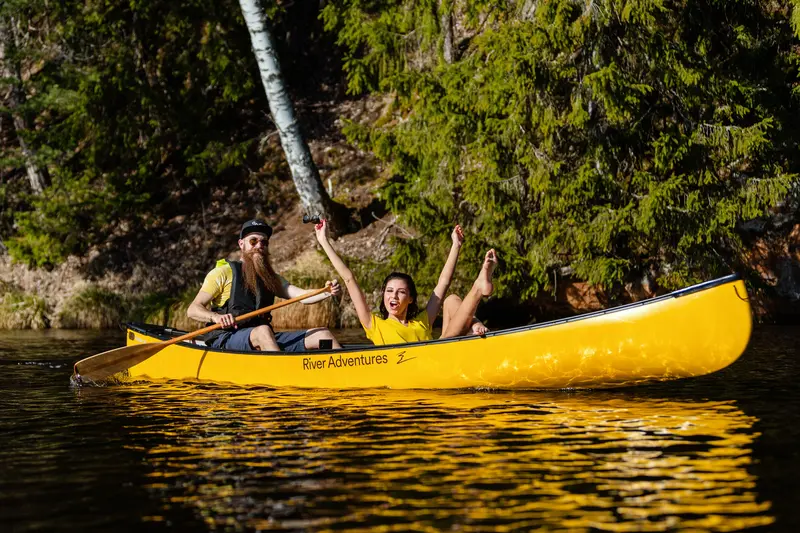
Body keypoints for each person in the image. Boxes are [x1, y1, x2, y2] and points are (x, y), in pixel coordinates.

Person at [314, 219, 497, 345]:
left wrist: (456, 245)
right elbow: (349, 278)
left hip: (437, 359)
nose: (393, 296)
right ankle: (478, 289)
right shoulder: (375, 324)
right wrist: (324, 241)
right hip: (424, 364)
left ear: (410, 299)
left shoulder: (422, 321)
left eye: (401, 292)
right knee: (447, 337)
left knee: (451, 299)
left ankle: (475, 315)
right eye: (389, 291)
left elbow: (444, 282)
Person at [188, 219, 343, 352]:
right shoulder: (223, 273)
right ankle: (285, 376)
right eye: (253, 241)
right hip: (226, 338)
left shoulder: (271, 279)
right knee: (263, 331)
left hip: (263, 337)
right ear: (241, 244)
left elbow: (302, 296)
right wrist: (215, 317)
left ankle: (343, 373)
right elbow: (193, 309)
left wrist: (327, 292)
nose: (259, 245)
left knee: (323, 334)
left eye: (264, 242)